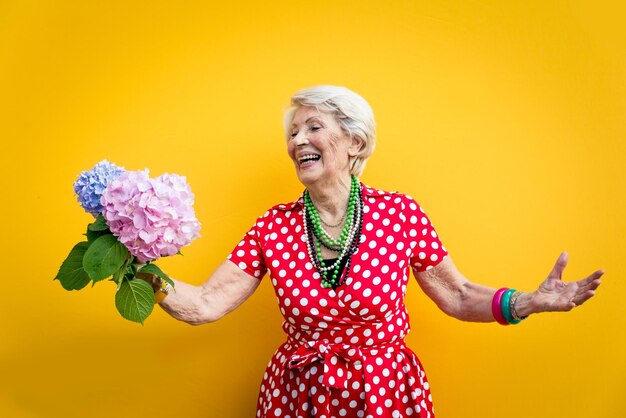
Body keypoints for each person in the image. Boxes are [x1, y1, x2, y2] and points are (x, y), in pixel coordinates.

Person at [150, 86, 603, 418]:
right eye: (292, 132)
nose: (297, 141)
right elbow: (204, 304)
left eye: (313, 127)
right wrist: (133, 264)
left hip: (384, 393)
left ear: (355, 143)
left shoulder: (400, 214)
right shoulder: (273, 225)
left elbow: (459, 296)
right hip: (297, 396)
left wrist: (528, 302)